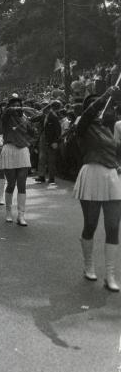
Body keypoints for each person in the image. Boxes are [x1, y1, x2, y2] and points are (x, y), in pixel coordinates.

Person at [73, 87, 121, 291]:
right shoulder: (82, 125)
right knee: (91, 225)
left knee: (113, 227)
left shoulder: (108, 128)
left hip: (111, 176)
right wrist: (105, 95)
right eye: (96, 104)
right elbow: (90, 112)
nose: (103, 107)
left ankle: (110, 275)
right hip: (91, 174)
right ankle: (88, 265)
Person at [0, 96, 36, 226]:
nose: (16, 108)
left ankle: (21, 215)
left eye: (18, 105)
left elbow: (33, 133)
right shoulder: (6, 118)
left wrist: (30, 140)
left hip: (23, 151)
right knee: (11, 184)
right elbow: (7, 111)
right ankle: (8, 212)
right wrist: (21, 107)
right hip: (9, 149)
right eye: (14, 105)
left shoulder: (25, 119)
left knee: (22, 183)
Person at [32, 100, 62, 185]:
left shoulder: (54, 116)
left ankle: (51, 178)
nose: (44, 107)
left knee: (51, 159)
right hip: (44, 138)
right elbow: (35, 119)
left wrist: (55, 141)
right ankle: (41, 176)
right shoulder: (46, 115)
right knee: (42, 158)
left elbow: (58, 130)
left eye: (46, 106)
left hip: (51, 140)